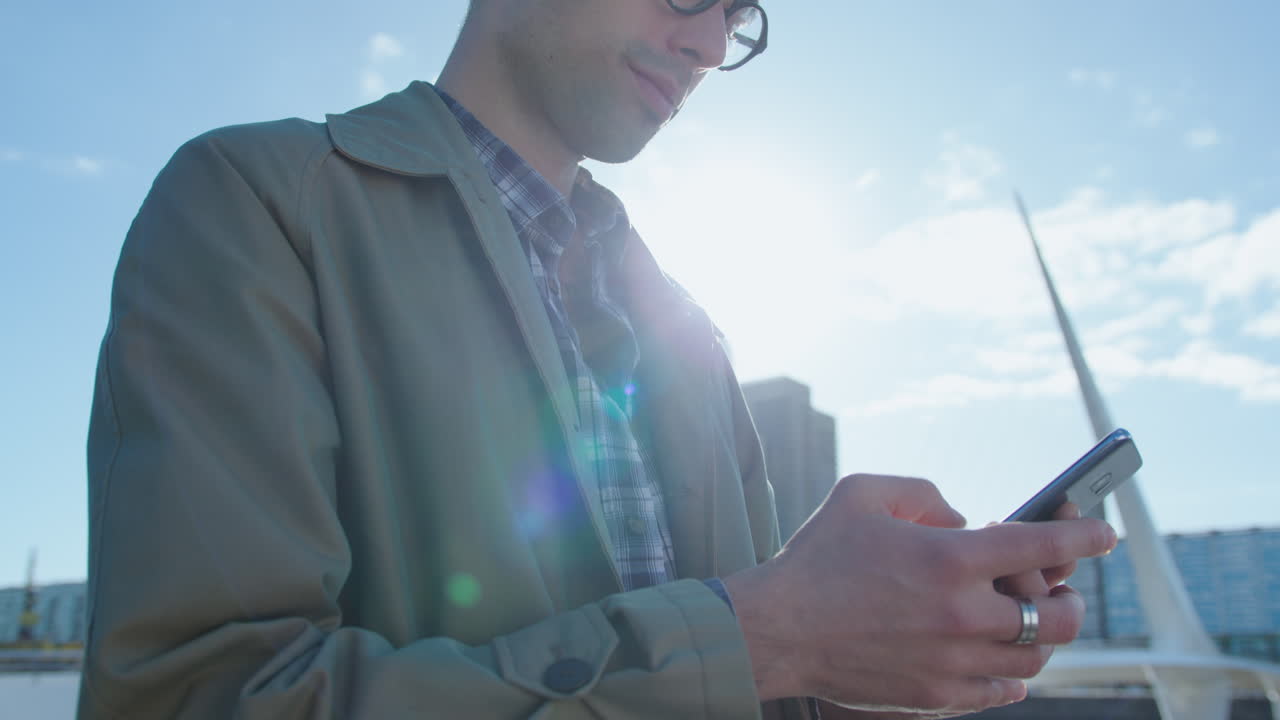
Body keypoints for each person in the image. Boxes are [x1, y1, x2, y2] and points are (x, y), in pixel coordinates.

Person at [79, 1, 1117, 718]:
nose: (711, 41)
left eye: (740, 14)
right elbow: (202, 699)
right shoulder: (258, 204)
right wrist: (768, 634)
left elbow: (738, 680)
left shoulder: (683, 328)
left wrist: (885, 644)